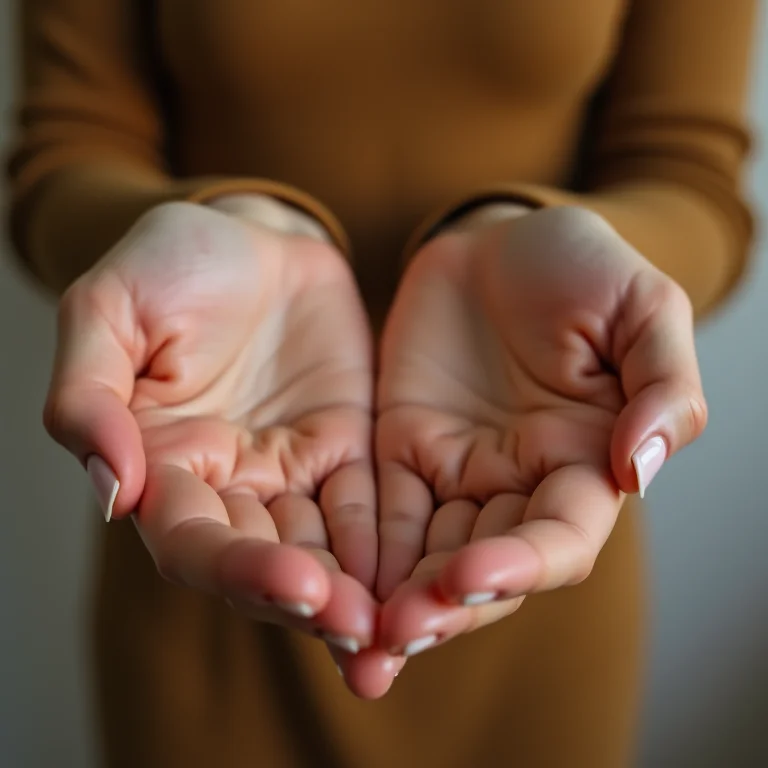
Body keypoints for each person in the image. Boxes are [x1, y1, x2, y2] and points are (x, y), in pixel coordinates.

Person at [6, 1, 757, 766]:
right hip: (218, 486)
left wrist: (550, 240)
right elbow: (65, 151)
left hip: (521, 483)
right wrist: (219, 221)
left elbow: (687, 173)